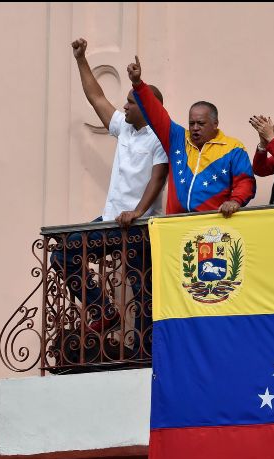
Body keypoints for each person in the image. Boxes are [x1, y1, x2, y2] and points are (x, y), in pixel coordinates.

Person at [50, 38, 169, 354]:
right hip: (111, 221)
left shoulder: (160, 137)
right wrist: (81, 58)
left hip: (141, 227)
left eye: (131, 101)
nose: (125, 106)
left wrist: (138, 212)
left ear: (146, 106)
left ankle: (145, 352)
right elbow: (96, 97)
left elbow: (157, 180)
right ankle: (104, 310)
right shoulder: (126, 128)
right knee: (63, 255)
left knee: (141, 288)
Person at [127, 57, 255, 217]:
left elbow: (245, 181)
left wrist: (235, 201)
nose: (195, 128)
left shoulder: (233, 148)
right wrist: (138, 84)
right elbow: (156, 115)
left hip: (213, 225)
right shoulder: (178, 139)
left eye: (201, 123)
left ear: (215, 123)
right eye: (191, 123)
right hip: (176, 223)